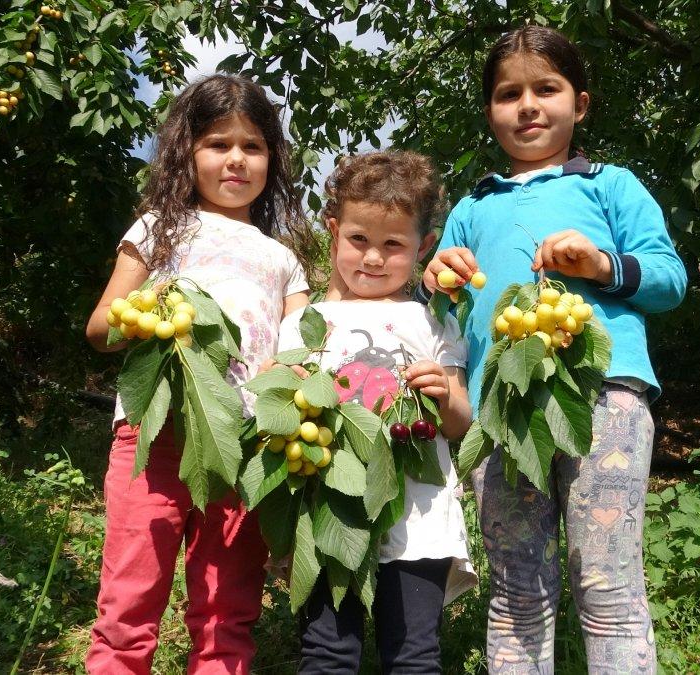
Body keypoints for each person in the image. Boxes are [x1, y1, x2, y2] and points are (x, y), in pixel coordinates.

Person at [420, 26, 688, 674]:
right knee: (515, 590)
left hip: (603, 395)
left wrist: (599, 263)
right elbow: (448, 314)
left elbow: (669, 279)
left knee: (608, 585)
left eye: (547, 88)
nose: (529, 105)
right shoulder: (471, 206)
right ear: (490, 112)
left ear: (581, 103)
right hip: (501, 410)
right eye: (510, 93)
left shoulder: (609, 185)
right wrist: (438, 280)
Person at [82, 73, 313, 674]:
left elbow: (299, 353)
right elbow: (100, 327)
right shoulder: (158, 227)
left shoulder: (283, 259)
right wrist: (147, 317)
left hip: (243, 448)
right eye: (217, 144)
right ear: (188, 153)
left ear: (271, 159)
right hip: (152, 438)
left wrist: (295, 382)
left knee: (226, 610)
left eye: (253, 146)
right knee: (129, 600)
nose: (235, 159)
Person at [277, 151, 477, 673]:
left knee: (414, 655)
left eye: (393, 245)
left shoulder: (433, 324)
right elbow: (278, 414)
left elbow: (460, 423)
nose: (372, 258)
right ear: (333, 230)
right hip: (329, 510)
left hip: (417, 516)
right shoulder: (305, 324)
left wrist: (442, 395)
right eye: (359, 240)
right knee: (326, 652)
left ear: (423, 247)